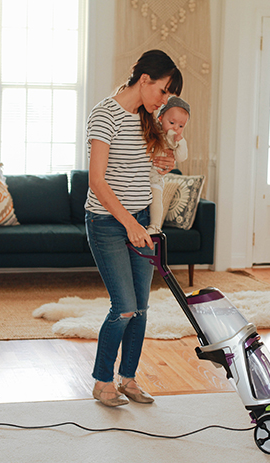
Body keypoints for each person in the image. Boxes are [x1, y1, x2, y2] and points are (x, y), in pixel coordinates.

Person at [85, 50, 183, 407]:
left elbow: (154, 166)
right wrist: (129, 224)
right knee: (124, 306)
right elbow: (98, 181)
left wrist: (165, 161)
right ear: (144, 80)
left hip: (141, 220)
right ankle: (101, 381)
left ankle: (128, 379)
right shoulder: (104, 114)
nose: (164, 100)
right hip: (108, 223)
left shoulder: (149, 119)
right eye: (163, 91)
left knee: (141, 308)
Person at [146, 96, 191, 234]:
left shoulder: (174, 140)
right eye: (172, 122)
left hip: (156, 176)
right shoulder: (153, 130)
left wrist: (181, 143)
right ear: (160, 118)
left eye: (181, 126)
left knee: (156, 199)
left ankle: (154, 226)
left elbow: (181, 157)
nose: (176, 128)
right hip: (142, 174)